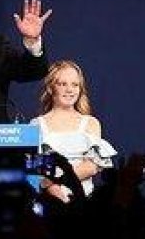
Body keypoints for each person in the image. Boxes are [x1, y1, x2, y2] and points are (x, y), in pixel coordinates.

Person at [30, 61, 115, 200]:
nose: (69, 90)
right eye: (63, 84)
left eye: (75, 85)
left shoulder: (91, 123)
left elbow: (91, 167)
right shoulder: (35, 125)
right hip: (47, 202)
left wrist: (58, 184)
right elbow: (35, 171)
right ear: (51, 88)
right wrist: (53, 189)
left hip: (84, 202)